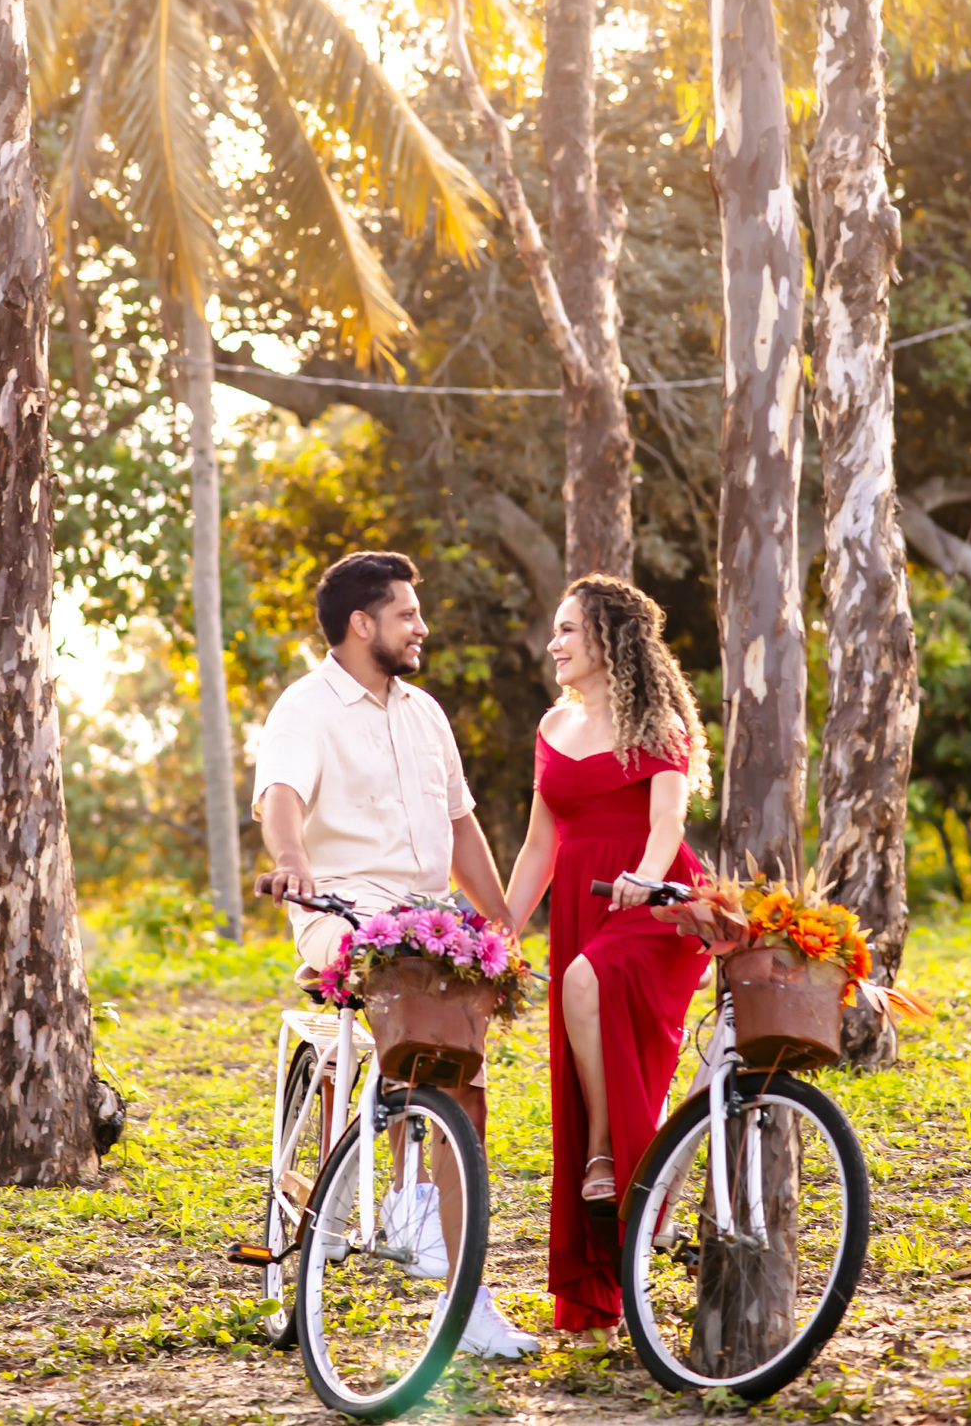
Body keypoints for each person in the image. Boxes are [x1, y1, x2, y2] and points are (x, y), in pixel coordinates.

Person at [252, 550, 537, 1359]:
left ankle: (465, 1296)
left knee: (468, 1083)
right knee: (410, 1009)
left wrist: (504, 918)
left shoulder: (424, 713)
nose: (422, 626)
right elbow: (281, 797)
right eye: (408, 613)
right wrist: (293, 861)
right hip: (340, 907)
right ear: (361, 623)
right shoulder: (306, 707)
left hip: (429, 916)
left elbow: (459, 828)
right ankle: (406, 1189)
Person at [505, 574, 712, 1341]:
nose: (553, 643)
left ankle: (604, 1155)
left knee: (587, 981)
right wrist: (498, 927)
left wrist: (648, 880)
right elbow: (537, 846)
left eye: (566, 630)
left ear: (607, 640)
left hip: (654, 903)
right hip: (582, 898)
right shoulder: (552, 726)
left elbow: (666, 823)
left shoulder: (655, 721)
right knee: (578, 1003)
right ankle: (604, 1268)